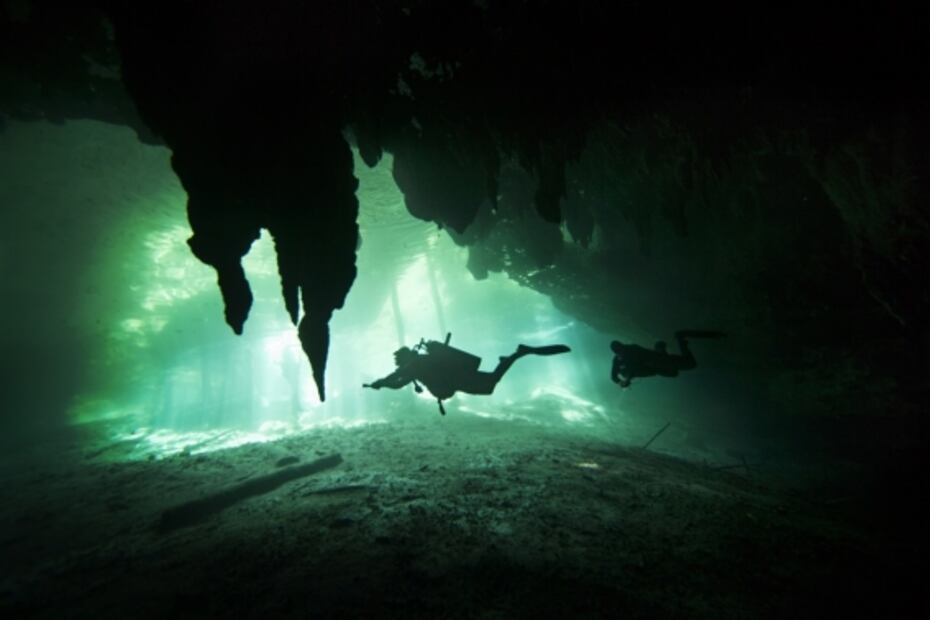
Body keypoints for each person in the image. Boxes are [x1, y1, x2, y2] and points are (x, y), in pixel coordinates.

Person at [364, 333, 571, 414]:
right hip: (456, 380)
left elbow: (396, 381)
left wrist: (380, 383)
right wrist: (382, 383)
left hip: (457, 380)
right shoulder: (418, 364)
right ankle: (516, 355)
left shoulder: (415, 366)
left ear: (405, 359)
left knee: (491, 383)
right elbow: (397, 379)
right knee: (491, 383)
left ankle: (518, 354)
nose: (399, 366)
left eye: (399, 362)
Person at [611, 330, 725, 388]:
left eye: (621, 349)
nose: (621, 352)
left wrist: (625, 380)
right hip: (656, 367)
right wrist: (621, 382)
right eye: (619, 352)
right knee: (674, 373)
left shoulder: (631, 350)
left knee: (690, 364)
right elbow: (613, 376)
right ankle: (661, 346)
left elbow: (646, 355)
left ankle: (680, 338)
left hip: (659, 362)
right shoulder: (619, 360)